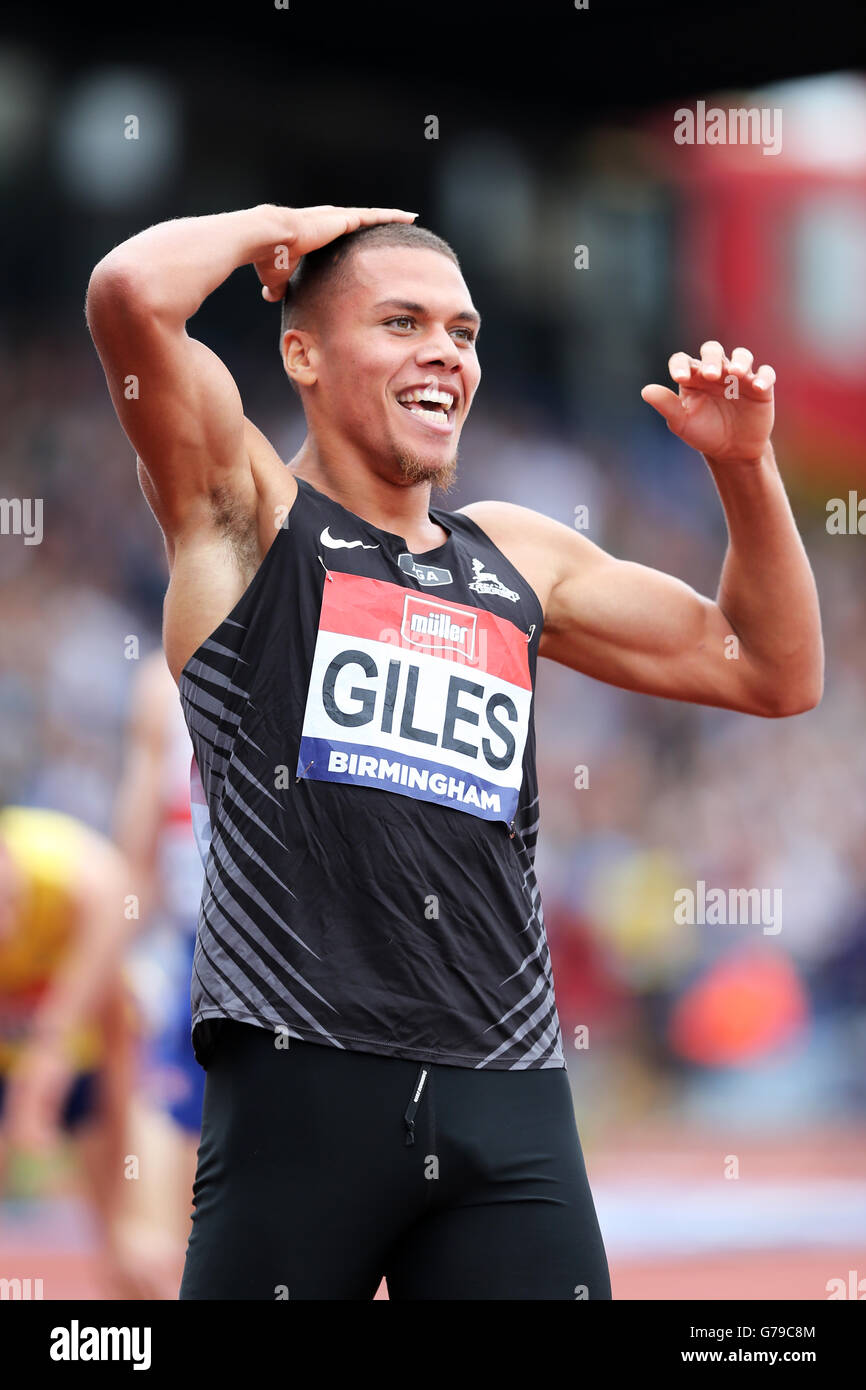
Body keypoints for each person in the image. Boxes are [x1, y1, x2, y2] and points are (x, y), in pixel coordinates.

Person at [85, 204, 824, 1299]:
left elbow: (771, 669)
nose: (443, 353)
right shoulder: (242, 516)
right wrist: (284, 228)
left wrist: (743, 471)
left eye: (464, 332)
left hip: (507, 1092)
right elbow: (129, 294)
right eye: (400, 322)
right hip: (301, 1077)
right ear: (302, 353)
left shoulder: (518, 555)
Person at [0, 804, 144, 1296]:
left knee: (120, 1220)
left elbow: (125, 892)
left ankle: (123, 1272)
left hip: (82, 1035)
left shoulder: (61, 866)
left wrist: (51, 1044)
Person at [112, 648, 206, 1294]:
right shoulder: (159, 680)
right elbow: (138, 840)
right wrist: (118, 950)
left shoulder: (159, 676)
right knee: (169, 1109)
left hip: (234, 930)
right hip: (200, 932)